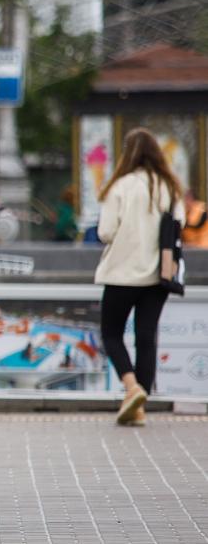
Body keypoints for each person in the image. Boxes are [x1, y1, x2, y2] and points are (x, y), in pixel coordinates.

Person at [94, 127, 184, 427]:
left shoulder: (120, 186)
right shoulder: (169, 186)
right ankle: (140, 404)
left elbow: (105, 231)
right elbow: (179, 224)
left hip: (122, 272)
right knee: (146, 337)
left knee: (111, 333)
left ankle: (131, 387)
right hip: (159, 274)